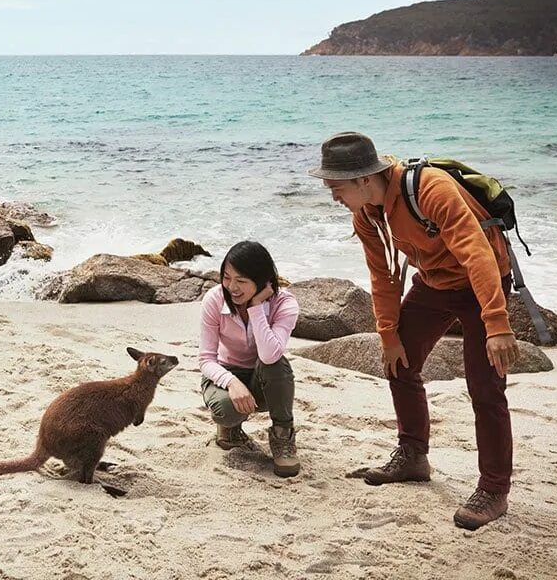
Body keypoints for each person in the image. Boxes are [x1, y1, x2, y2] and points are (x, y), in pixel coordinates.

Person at [309, 132, 522, 530]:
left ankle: (494, 489)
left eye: (335, 188)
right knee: (398, 361)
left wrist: (497, 323)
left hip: (482, 282)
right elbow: (383, 275)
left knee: (485, 387)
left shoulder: (430, 189)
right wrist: (388, 335)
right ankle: (413, 456)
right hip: (434, 283)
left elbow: (477, 254)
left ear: (361, 179)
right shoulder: (366, 213)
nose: (333, 196)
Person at [198, 240, 300, 477]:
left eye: (241, 281)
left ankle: (283, 437)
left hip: (263, 378)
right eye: (226, 277)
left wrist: (255, 307)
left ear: (263, 281)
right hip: (224, 375)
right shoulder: (214, 300)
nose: (232, 287)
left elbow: (269, 355)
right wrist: (232, 383)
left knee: (276, 362)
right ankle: (230, 430)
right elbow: (206, 360)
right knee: (226, 409)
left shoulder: (284, 303)